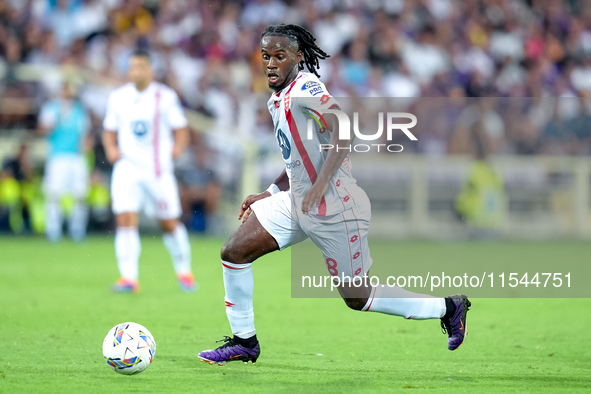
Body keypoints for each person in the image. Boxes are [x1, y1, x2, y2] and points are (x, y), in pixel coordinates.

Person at [198, 24, 471, 365]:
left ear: (298, 58)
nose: (270, 64)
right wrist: (270, 191)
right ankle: (244, 342)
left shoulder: (306, 88)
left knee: (357, 297)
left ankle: (448, 307)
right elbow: (298, 158)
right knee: (234, 252)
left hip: (334, 205)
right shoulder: (276, 98)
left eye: (279, 56)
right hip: (298, 201)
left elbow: (343, 132)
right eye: (266, 56)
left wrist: (318, 186)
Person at [102, 49, 195, 293]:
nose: (136, 72)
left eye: (140, 67)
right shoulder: (118, 97)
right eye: (132, 67)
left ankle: (184, 271)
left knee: (169, 223)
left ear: (150, 70)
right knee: (125, 219)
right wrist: (111, 149)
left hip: (157, 170)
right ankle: (129, 278)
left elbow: (181, 129)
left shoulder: (164, 96)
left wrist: (176, 150)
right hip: (127, 168)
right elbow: (109, 129)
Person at [38, 82, 90, 242]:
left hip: (76, 157)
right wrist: (54, 121)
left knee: (80, 195)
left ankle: (78, 231)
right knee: (54, 194)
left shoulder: (79, 110)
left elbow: (85, 136)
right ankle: (53, 231)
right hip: (58, 156)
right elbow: (42, 130)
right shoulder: (51, 108)